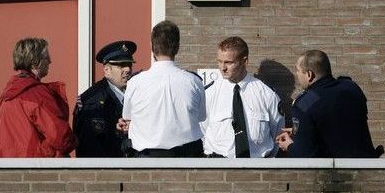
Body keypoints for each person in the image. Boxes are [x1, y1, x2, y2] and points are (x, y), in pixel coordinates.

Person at [118, 20, 206, 157]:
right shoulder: (194, 81)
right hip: (187, 161)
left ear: (152, 47)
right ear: (177, 47)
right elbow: (201, 117)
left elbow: (127, 118)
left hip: (146, 160)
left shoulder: (135, 82)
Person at [275, 50, 380, 158]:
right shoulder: (351, 88)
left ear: (309, 75)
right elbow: (340, 123)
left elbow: (305, 155)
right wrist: (302, 130)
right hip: (369, 165)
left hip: (338, 171)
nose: (296, 74)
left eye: (298, 70)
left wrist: (289, 146)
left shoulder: (305, 103)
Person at [0, 37, 77, 157]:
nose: (50, 61)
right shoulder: (36, 93)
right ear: (35, 61)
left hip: (3, 165)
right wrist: (76, 141)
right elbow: (60, 136)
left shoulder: (8, 93)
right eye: (46, 57)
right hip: (32, 165)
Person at [201, 36, 284, 158]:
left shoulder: (267, 94)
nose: (222, 68)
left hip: (258, 168)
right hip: (218, 167)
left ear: (244, 61)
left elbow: (278, 134)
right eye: (219, 61)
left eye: (228, 62)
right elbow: (202, 131)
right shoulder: (209, 94)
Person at [73, 40, 137, 157]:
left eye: (129, 64)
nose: (127, 69)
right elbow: (89, 148)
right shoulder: (91, 100)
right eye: (121, 65)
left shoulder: (137, 95)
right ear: (107, 70)